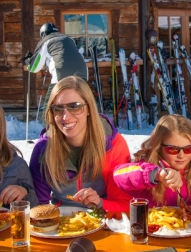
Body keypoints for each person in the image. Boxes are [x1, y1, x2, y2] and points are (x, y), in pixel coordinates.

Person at [29, 76, 132, 212]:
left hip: (105, 221)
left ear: (89, 109)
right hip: (62, 224)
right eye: (58, 109)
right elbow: (38, 206)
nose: (66, 117)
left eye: (74, 107)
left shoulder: (113, 145)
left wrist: (100, 203)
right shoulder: (44, 149)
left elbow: (125, 204)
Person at [113, 115, 191, 212]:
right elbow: (118, 175)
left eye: (187, 149)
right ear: (158, 147)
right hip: (154, 231)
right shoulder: (148, 167)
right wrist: (156, 174)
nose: (181, 155)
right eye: (173, 149)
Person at [28, 22, 88, 112]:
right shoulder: (69, 39)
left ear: (43, 34)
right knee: (80, 105)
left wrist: (28, 61)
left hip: (61, 76)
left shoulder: (46, 41)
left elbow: (34, 68)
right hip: (82, 74)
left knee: (50, 107)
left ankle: (49, 125)